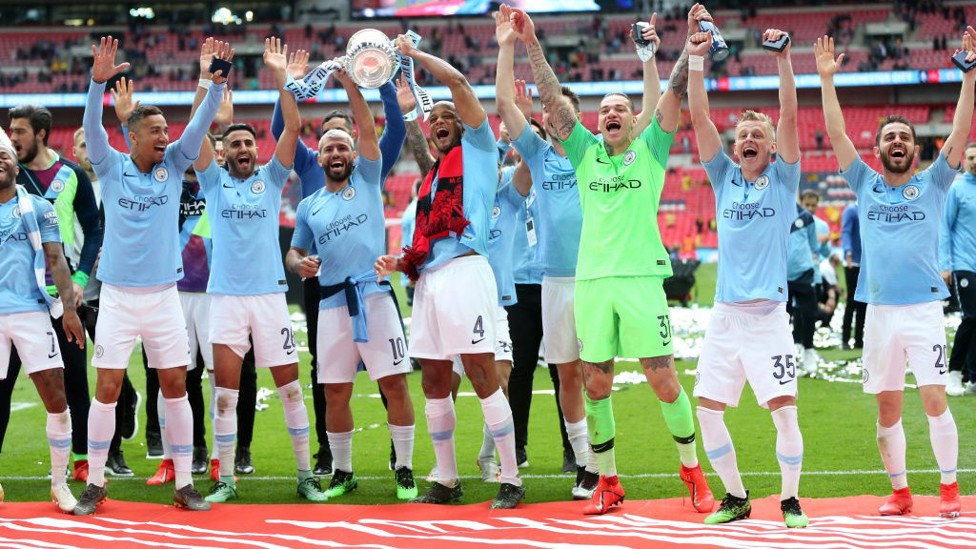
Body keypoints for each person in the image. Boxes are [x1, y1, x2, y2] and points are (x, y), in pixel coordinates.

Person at [506, 3, 713, 516]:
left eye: (621, 108)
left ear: (633, 120)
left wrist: (690, 44)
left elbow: (674, 92)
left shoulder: (652, 150)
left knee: (663, 379)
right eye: (605, 110)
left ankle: (692, 472)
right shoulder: (583, 153)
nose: (613, 113)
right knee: (595, 382)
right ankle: (608, 481)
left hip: (642, 280)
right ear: (595, 124)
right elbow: (553, 100)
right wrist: (531, 41)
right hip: (592, 283)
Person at [817, 29, 975, 518]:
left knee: (932, 399)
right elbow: (838, 134)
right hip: (879, 311)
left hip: (925, 308)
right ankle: (901, 492)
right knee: (887, 409)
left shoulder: (934, 182)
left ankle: (949, 490)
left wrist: (969, 77)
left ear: (916, 148)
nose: (898, 142)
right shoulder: (863, 181)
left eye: (905, 137)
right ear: (881, 148)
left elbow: (959, 133)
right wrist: (827, 81)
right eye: (890, 137)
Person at [73, 35, 224, 515]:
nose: (165, 136)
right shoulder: (111, 165)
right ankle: (95, 484)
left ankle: (184, 484)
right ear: (132, 135)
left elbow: (198, 128)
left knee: (176, 388)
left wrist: (213, 87)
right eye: (155, 130)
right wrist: (97, 85)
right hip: (117, 298)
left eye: (165, 129)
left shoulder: (176, 165)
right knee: (108, 390)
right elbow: (91, 127)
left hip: (164, 297)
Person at [374, 34, 525, 510]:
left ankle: (511, 479)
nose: (438, 122)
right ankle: (447, 479)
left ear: (463, 125)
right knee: (435, 380)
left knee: (481, 372)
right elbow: (427, 242)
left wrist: (414, 57)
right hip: (432, 281)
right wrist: (401, 260)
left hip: (466, 273)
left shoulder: (480, 150)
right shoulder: (430, 180)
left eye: (446, 117)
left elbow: (458, 82)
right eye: (432, 118)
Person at [191, 38, 327, 504]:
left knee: (290, 390)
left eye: (249, 142)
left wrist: (280, 75)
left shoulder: (271, 178)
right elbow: (194, 131)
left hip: (270, 297)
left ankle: (306, 475)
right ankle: (226, 478)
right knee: (225, 395)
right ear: (224, 152)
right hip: (225, 298)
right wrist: (208, 80)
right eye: (236, 143)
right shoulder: (212, 180)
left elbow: (291, 125)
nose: (245, 148)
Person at [687, 27, 808, 527]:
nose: (750, 140)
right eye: (743, 137)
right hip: (725, 317)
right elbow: (698, 114)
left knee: (783, 411)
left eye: (759, 135)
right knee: (708, 411)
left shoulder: (784, 178)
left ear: (773, 147)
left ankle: (790, 499)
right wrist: (696, 59)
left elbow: (790, 114)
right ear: (735, 149)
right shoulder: (723, 178)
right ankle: (735, 497)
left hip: (769, 318)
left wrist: (782, 58)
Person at [286, 65, 417, 502]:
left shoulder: (367, 176)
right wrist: (299, 263)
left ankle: (404, 468)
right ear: (319, 158)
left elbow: (367, 124)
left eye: (343, 145)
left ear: (354, 154)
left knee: (394, 384)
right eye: (329, 148)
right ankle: (342, 470)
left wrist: (349, 84)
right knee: (335, 390)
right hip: (330, 305)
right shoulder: (308, 205)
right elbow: (294, 251)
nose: (337, 151)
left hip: (375, 297)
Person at [2, 104, 99, 483]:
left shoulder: (72, 175)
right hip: (16, 298)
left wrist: (78, 279)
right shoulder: (8, 170)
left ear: (41, 134)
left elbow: (94, 230)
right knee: (3, 385)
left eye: (20, 131)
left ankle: (82, 460)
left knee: (74, 379)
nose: (12, 137)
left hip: (62, 296)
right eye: (11, 131)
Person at [70, 125, 139, 478]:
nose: (87, 150)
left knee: (111, 373)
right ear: (73, 151)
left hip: (107, 292)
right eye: (81, 145)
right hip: (69, 293)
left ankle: (114, 452)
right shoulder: (66, 184)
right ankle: (84, 452)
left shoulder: (115, 181)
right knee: (75, 376)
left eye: (91, 144)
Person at [940, 142, 976, 396]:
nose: (975, 161)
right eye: (972, 157)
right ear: (965, 159)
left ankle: (973, 378)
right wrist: (945, 266)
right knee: (971, 318)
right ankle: (953, 374)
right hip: (963, 265)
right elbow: (944, 227)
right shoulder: (957, 188)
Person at [787, 199, 821, 373]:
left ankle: (808, 349)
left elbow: (813, 245)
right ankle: (783, 352)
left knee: (809, 313)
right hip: (778, 275)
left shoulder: (805, 217)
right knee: (780, 318)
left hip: (803, 272)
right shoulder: (770, 212)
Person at [840, 203, 865, 350]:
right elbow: (846, 232)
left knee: (863, 302)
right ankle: (845, 339)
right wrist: (848, 251)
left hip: (867, 263)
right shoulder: (851, 210)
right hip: (853, 263)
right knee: (851, 302)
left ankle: (859, 340)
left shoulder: (869, 207)